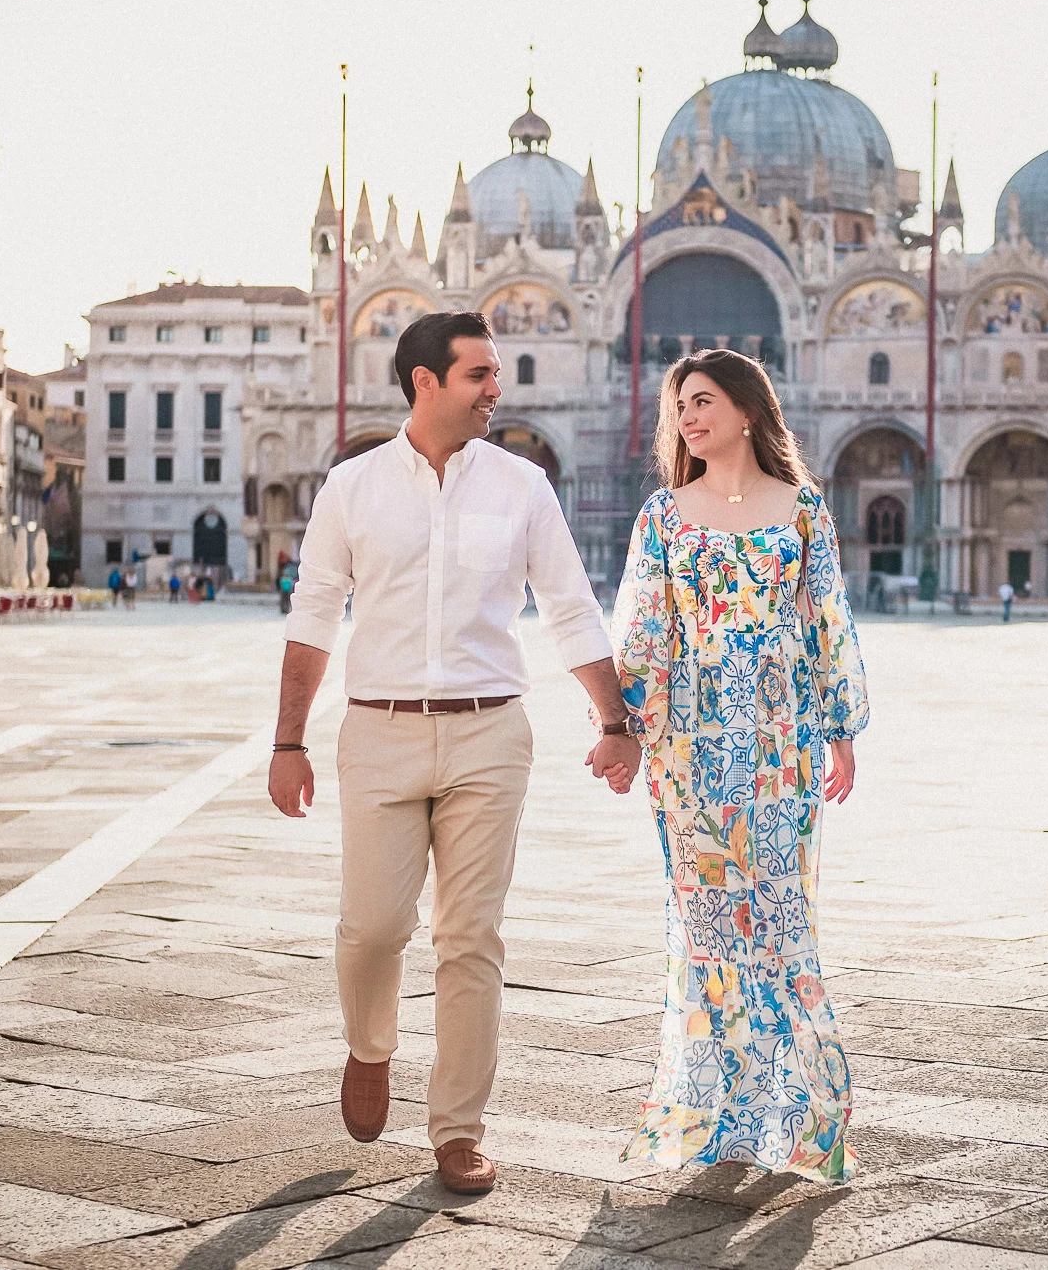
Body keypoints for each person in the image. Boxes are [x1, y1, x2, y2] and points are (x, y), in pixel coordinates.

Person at [267, 311, 635, 1197]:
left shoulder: (522, 484)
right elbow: (313, 616)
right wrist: (288, 741)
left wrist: (614, 717)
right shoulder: (352, 486)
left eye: (496, 372)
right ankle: (370, 1045)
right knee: (373, 928)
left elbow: (571, 605)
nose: (495, 389)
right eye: (479, 374)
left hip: (488, 732)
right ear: (426, 380)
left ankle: (458, 1128)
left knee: (470, 938)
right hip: (380, 729)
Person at [614, 348, 866, 1184]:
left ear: (749, 410)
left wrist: (841, 727)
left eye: (704, 399)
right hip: (685, 747)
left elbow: (829, 620)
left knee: (780, 916)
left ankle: (801, 1110)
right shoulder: (662, 514)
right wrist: (624, 728)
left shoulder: (802, 510)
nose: (687, 416)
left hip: (781, 742)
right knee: (709, 926)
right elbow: (645, 633)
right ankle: (723, 1113)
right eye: (679, 404)